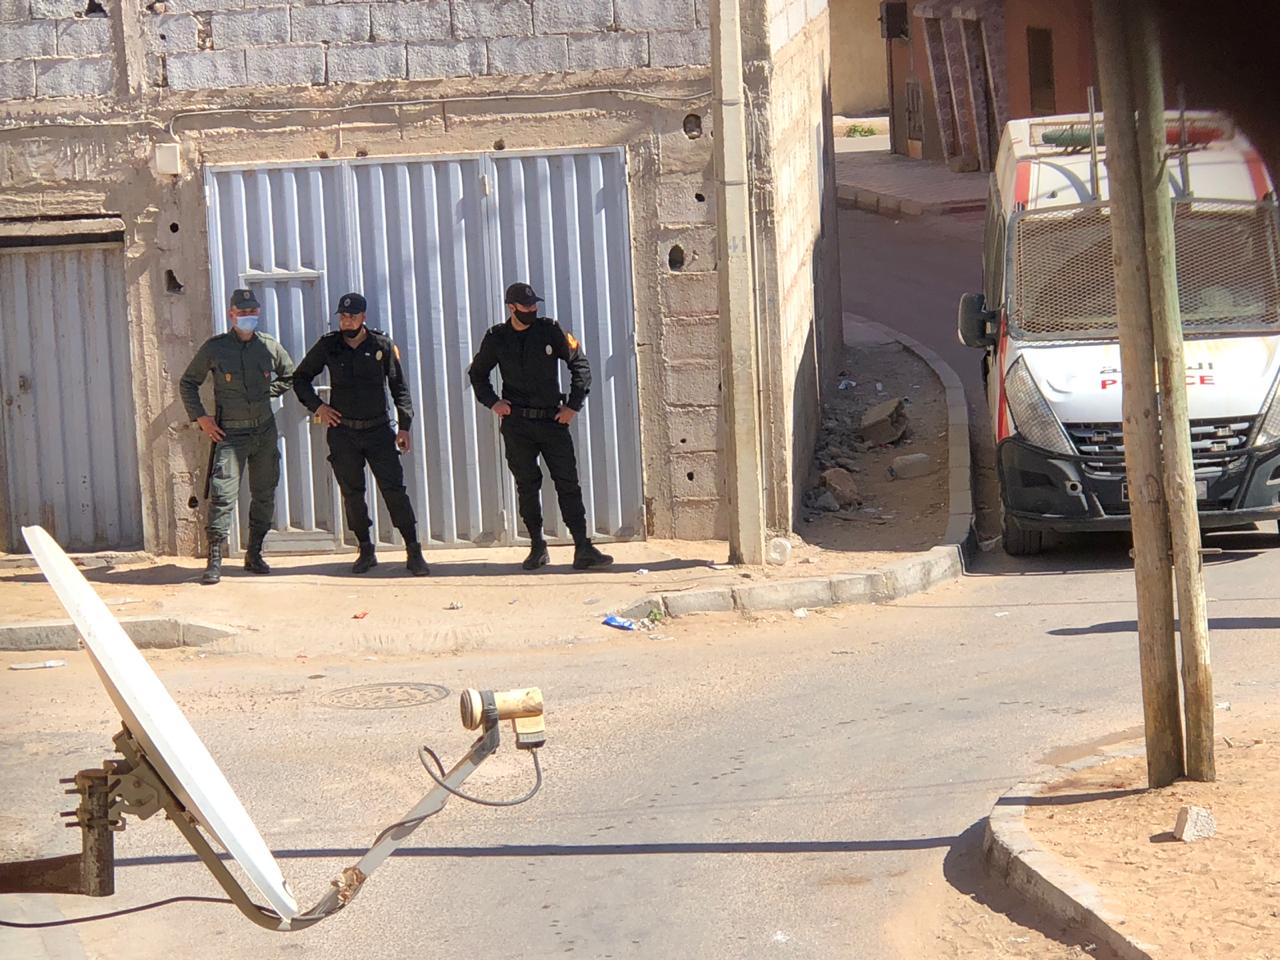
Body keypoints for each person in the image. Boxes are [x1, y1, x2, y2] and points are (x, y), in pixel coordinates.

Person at [468, 282, 613, 571]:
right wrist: (493, 403)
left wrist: (573, 405)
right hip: (517, 424)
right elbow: (478, 373)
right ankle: (537, 546)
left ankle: (583, 547)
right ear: (512, 308)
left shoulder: (550, 330)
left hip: (551, 421)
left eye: (535, 305)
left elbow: (580, 365)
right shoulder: (497, 338)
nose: (532, 310)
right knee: (527, 485)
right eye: (526, 306)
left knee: (567, 483)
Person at [293, 292, 429, 577]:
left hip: (379, 430)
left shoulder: (381, 345)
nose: (346, 321)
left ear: (363, 317)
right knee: (352, 494)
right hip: (344, 433)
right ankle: (366, 549)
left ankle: (413, 550)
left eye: (352, 316)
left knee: (394, 491)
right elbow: (300, 378)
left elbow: (399, 388)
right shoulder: (329, 346)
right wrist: (319, 407)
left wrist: (405, 426)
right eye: (342, 316)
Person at [179, 289, 295, 585]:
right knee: (223, 496)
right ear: (231, 315)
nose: (248, 317)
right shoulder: (216, 348)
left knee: (265, 492)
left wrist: (265, 393)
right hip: (230, 433)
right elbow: (188, 383)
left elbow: (290, 376)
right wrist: (202, 418)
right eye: (242, 313)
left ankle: (254, 554)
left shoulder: (268, 346)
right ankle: (214, 560)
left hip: (264, 431)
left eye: (252, 312)